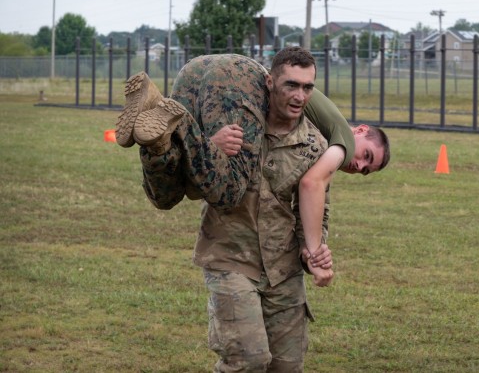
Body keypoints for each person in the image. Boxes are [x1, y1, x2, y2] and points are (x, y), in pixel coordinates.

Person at [124, 47, 329, 370]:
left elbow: (316, 209)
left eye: (307, 87)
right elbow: (195, 189)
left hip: (284, 272)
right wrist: (211, 147)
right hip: (231, 260)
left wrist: (312, 251)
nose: (299, 95)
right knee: (247, 362)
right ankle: (160, 139)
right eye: (291, 85)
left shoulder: (314, 145)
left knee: (287, 367)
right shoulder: (235, 121)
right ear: (269, 82)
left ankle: (161, 138)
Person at [116, 52, 390, 282]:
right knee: (231, 191)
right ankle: (177, 119)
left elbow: (193, 189)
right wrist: (316, 250)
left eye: (366, 169)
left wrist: (209, 147)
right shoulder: (343, 145)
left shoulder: (316, 141)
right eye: (366, 154)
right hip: (237, 78)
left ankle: (156, 123)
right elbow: (312, 184)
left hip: (196, 71)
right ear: (361, 130)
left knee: (168, 194)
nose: (358, 164)